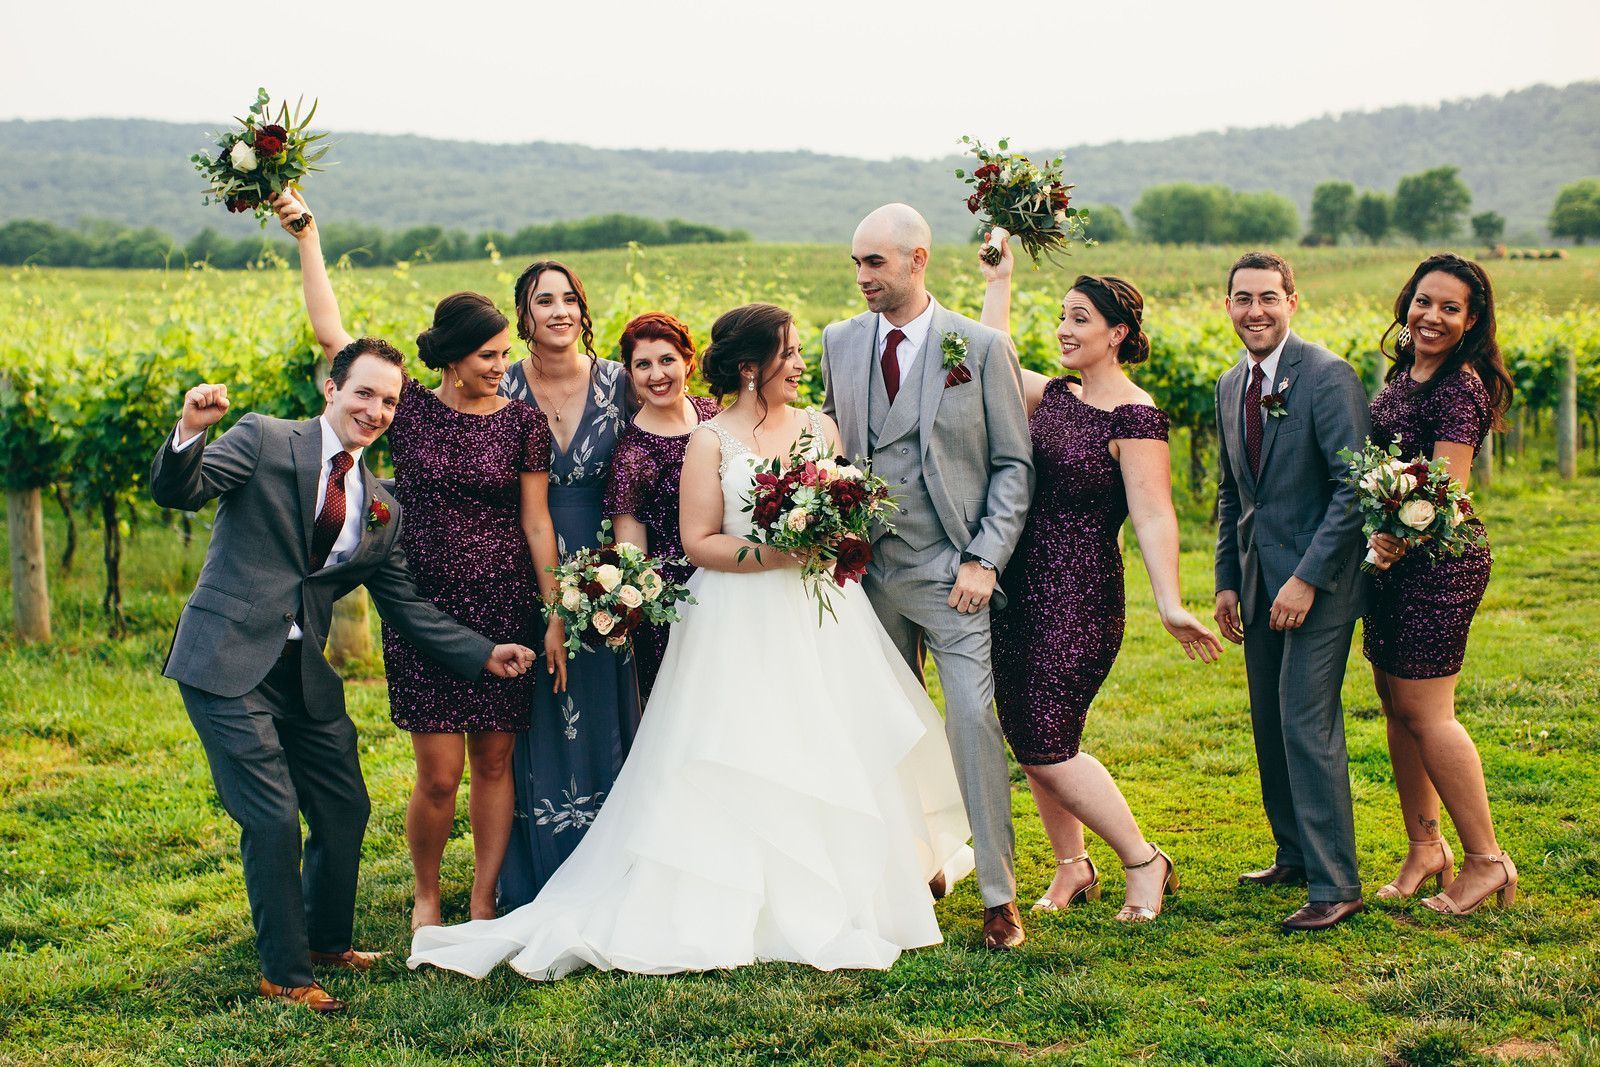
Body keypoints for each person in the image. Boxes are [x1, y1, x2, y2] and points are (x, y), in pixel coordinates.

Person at [409, 303, 971, 979]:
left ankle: (852, 883)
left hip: (821, 615)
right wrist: (782, 554)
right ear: (750, 367)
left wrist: (832, 537)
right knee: (734, 748)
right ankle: (739, 887)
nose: (799, 364)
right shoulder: (711, 440)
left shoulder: (823, 426)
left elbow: (845, 508)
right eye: (788, 353)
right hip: (736, 611)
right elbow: (700, 541)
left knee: (827, 735)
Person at [151, 342, 535, 1015]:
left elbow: (408, 608)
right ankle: (285, 972)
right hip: (225, 658)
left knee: (344, 804)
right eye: (364, 393)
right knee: (271, 815)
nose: (377, 409)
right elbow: (179, 490)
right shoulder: (266, 439)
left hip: (301, 671)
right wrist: (190, 430)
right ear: (332, 387)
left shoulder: (380, 504)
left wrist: (483, 652)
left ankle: (328, 941)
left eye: (389, 400)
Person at [272, 192, 564, 932]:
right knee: (439, 775)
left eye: (506, 353)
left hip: (506, 606)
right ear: (455, 359)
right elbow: (330, 332)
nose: (504, 366)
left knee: (495, 765)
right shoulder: (412, 410)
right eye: (490, 356)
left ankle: (484, 899)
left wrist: (555, 613)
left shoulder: (525, 423)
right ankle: (428, 897)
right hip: (422, 609)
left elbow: (536, 523)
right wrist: (309, 237)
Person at [979, 240, 1222, 921]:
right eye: (1061, 314)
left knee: (1047, 740)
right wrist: (1000, 280)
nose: (1064, 327)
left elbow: (1154, 512)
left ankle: (1145, 861)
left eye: (1080, 317)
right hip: (1019, 589)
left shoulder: (1134, 415)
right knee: (1030, 734)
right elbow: (990, 359)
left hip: (1079, 595)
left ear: (1117, 332)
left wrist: (1170, 601)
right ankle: (1072, 867)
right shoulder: (1053, 394)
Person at [820, 203, 1034, 949]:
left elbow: (1013, 463)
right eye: (855, 263)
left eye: (874, 263)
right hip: (862, 574)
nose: (861, 278)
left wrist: (983, 558)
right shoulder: (839, 342)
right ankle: (907, 868)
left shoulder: (977, 346)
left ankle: (999, 894)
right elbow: (827, 439)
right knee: (879, 727)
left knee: (972, 719)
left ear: (917, 259)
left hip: (951, 571)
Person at [1212, 251, 1371, 932]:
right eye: (1243, 298)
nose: (1256, 310)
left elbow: (1351, 490)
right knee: (1270, 724)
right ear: (1227, 307)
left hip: (1320, 581)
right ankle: (1295, 855)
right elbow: (1230, 491)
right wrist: (1225, 579)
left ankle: (1337, 883)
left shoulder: (1328, 376)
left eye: (1269, 298)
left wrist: (1306, 578)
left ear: (1292, 301)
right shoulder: (1228, 384)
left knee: (1307, 722)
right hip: (1254, 582)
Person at [1362, 253, 1517, 914]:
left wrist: (1400, 531)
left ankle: (1487, 860)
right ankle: (1425, 847)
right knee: (1397, 707)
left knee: (1429, 711)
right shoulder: (1405, 370)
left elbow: (1447, 488)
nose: (1432, 316)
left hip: (1439, 560)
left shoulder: (1462, 383)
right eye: (1424, 301)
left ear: (1471, 320)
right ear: (1408, 300)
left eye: (1450, 308)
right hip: (1390, 558)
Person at [497, 259, 642, 908]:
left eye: (569, 300)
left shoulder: (620, 381)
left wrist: (630, 574)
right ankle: (540, 870)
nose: (559, 310)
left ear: (583, 312)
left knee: (606, 701)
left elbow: (669, 437)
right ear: (523, 316)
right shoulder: (500, 387)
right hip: (522, 563)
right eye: (543, 300)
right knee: (537, 709)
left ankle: (618, 863)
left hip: (609, 564)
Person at [603, 311, 720, 703]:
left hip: (737, 580)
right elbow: (633, 559)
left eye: (667, 360)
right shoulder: (632, 455)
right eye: (643, 365)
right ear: (630, 374)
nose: (657, 374)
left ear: (687, 361)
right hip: (675, 608)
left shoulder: (714, 415)